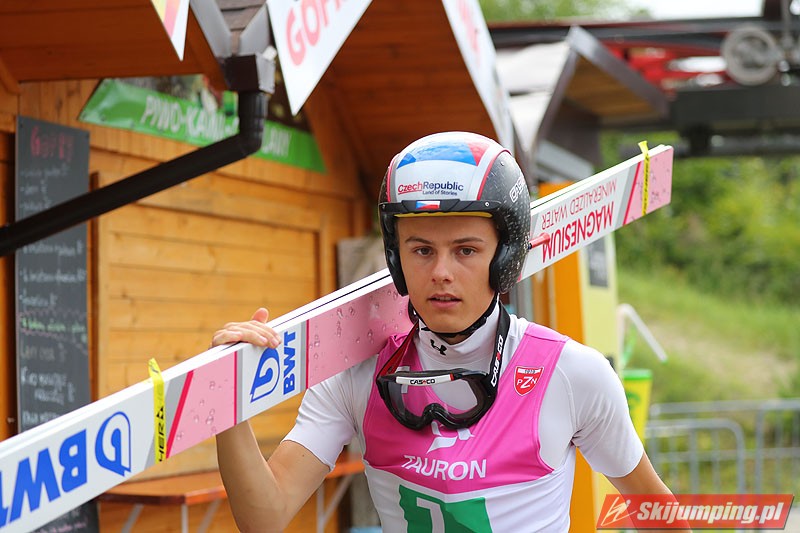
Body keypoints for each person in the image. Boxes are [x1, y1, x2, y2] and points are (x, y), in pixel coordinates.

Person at [213, 132, 674, 532]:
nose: (441, 273)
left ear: (505, 257)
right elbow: (265, 518)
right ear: (396, 259)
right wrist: (229, 400)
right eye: (421, 250)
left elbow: (657, 513)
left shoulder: (571, 374)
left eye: (466, 250)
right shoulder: (355, 374)